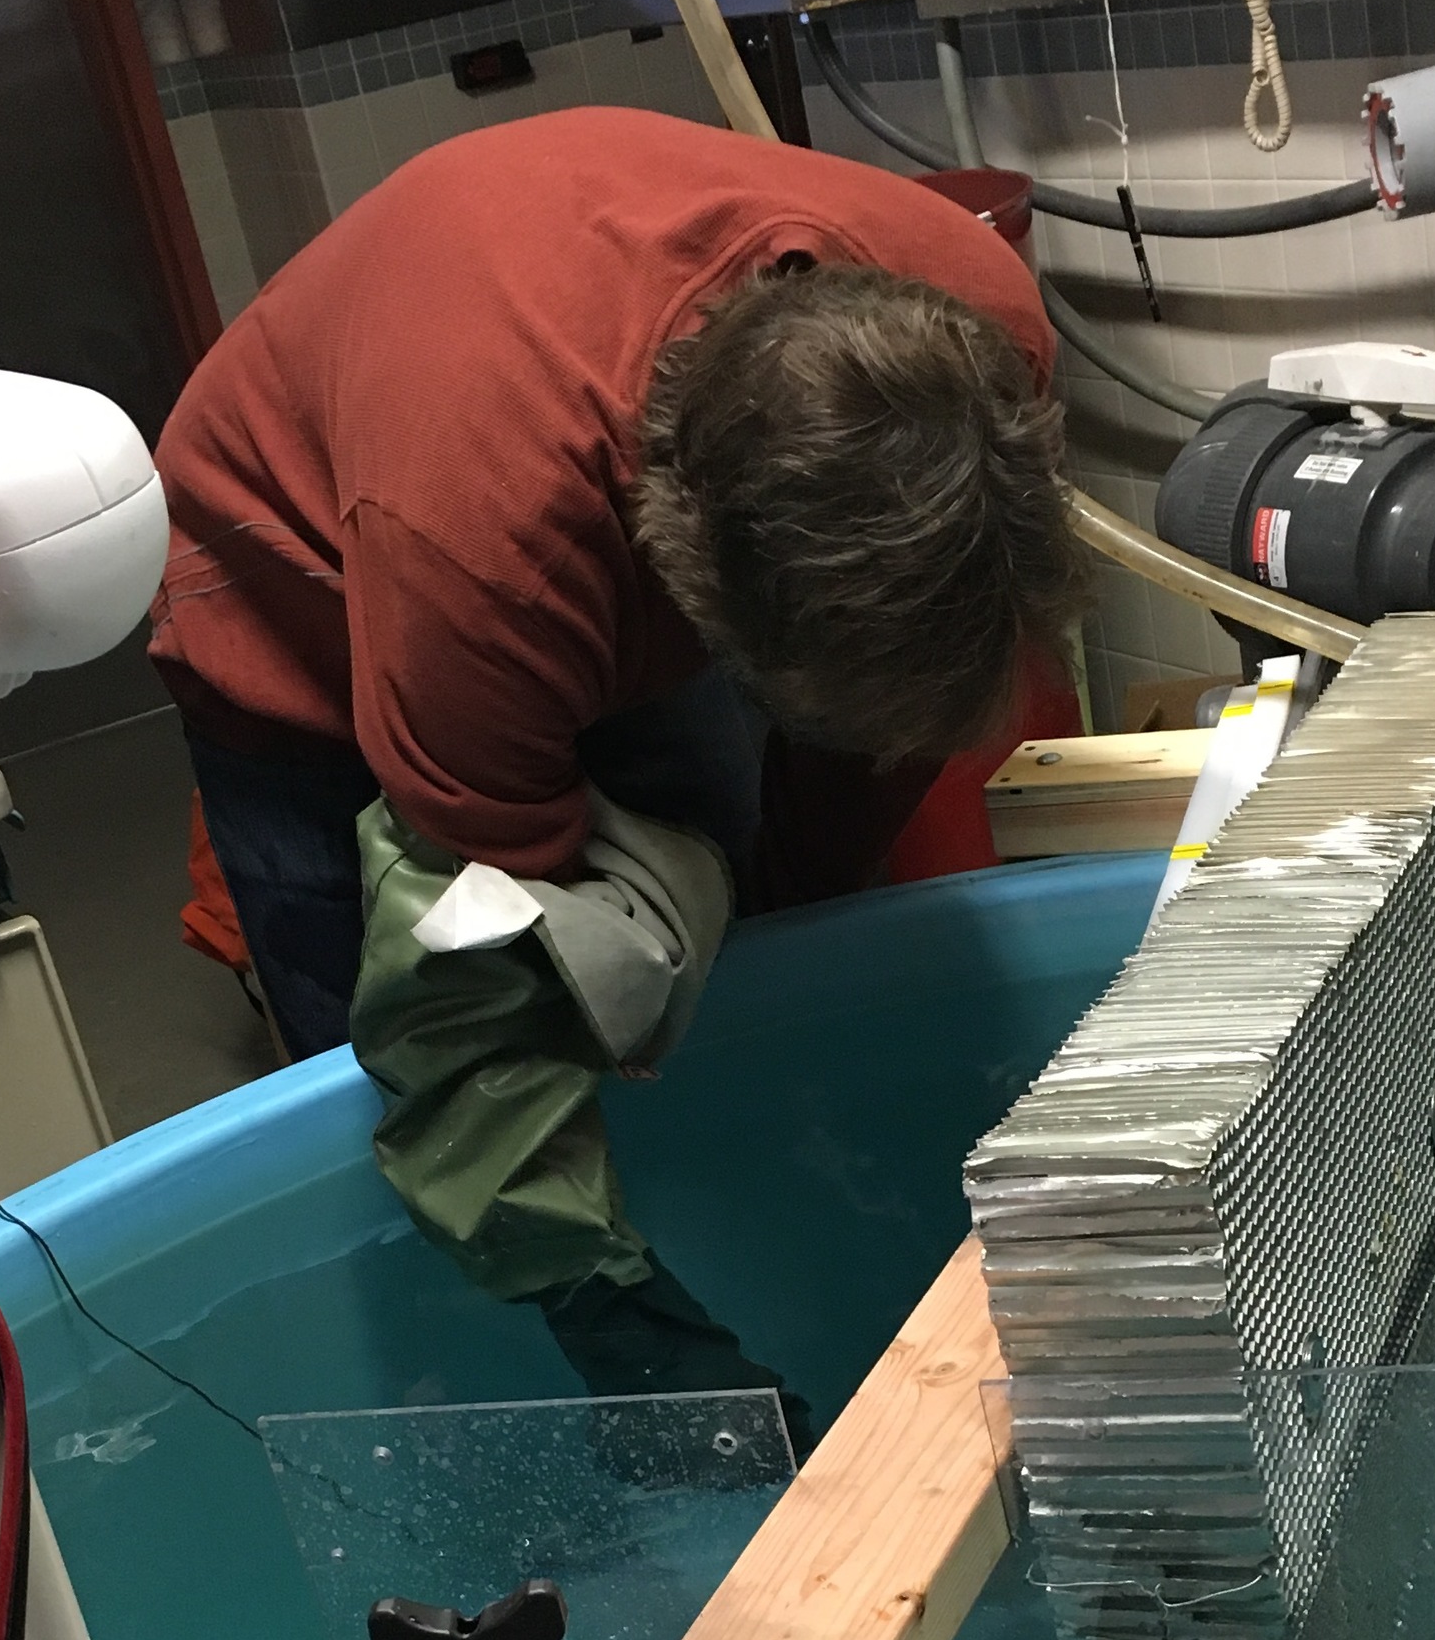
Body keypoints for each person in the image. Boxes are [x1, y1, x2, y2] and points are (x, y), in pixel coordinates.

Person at [148, 103, 1091, 1433]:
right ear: (694, 591)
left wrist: (794, 905)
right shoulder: (489, 562)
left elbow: (871, 756)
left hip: (547, 457)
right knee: (466, 1050)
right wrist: (626, 1328)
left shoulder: (982, 324)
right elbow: (481, 1015)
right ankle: (555, 1416)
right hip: (296, 596)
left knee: (723, 947)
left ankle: (780, 1292)